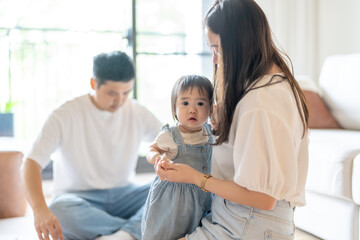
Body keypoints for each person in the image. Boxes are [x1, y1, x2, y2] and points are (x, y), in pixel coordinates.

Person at [155, 0, 310, 239]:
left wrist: (195, 177)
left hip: (248, 222)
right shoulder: (269, 83)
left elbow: (263, 198)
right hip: (236, 216)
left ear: (241, 44)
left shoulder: (261, 102)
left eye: (217, 48)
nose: (215, 59)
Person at [21, 51, 163, 240]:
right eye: (112, 93)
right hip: (79, 199)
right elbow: (30, 163)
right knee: (59, 210)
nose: (120, 100)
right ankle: (134, 230)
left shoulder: (137, 111)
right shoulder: (64, 114)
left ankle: (120, 234)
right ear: (93, 84)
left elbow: (169, 140)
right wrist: (39, 209)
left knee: (167, 188)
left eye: (126, 92)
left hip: (125, 196)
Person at [141, 75, 214, 240]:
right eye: (185, 103)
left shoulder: (209, 132)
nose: (192, 109)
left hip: (201, 196)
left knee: (194, 232)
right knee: (167, 232)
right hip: (172, 200)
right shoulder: (171, 135)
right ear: (174, 109)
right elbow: (151, 149)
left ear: (210, 109)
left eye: (200, 103)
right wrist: (158, 159)